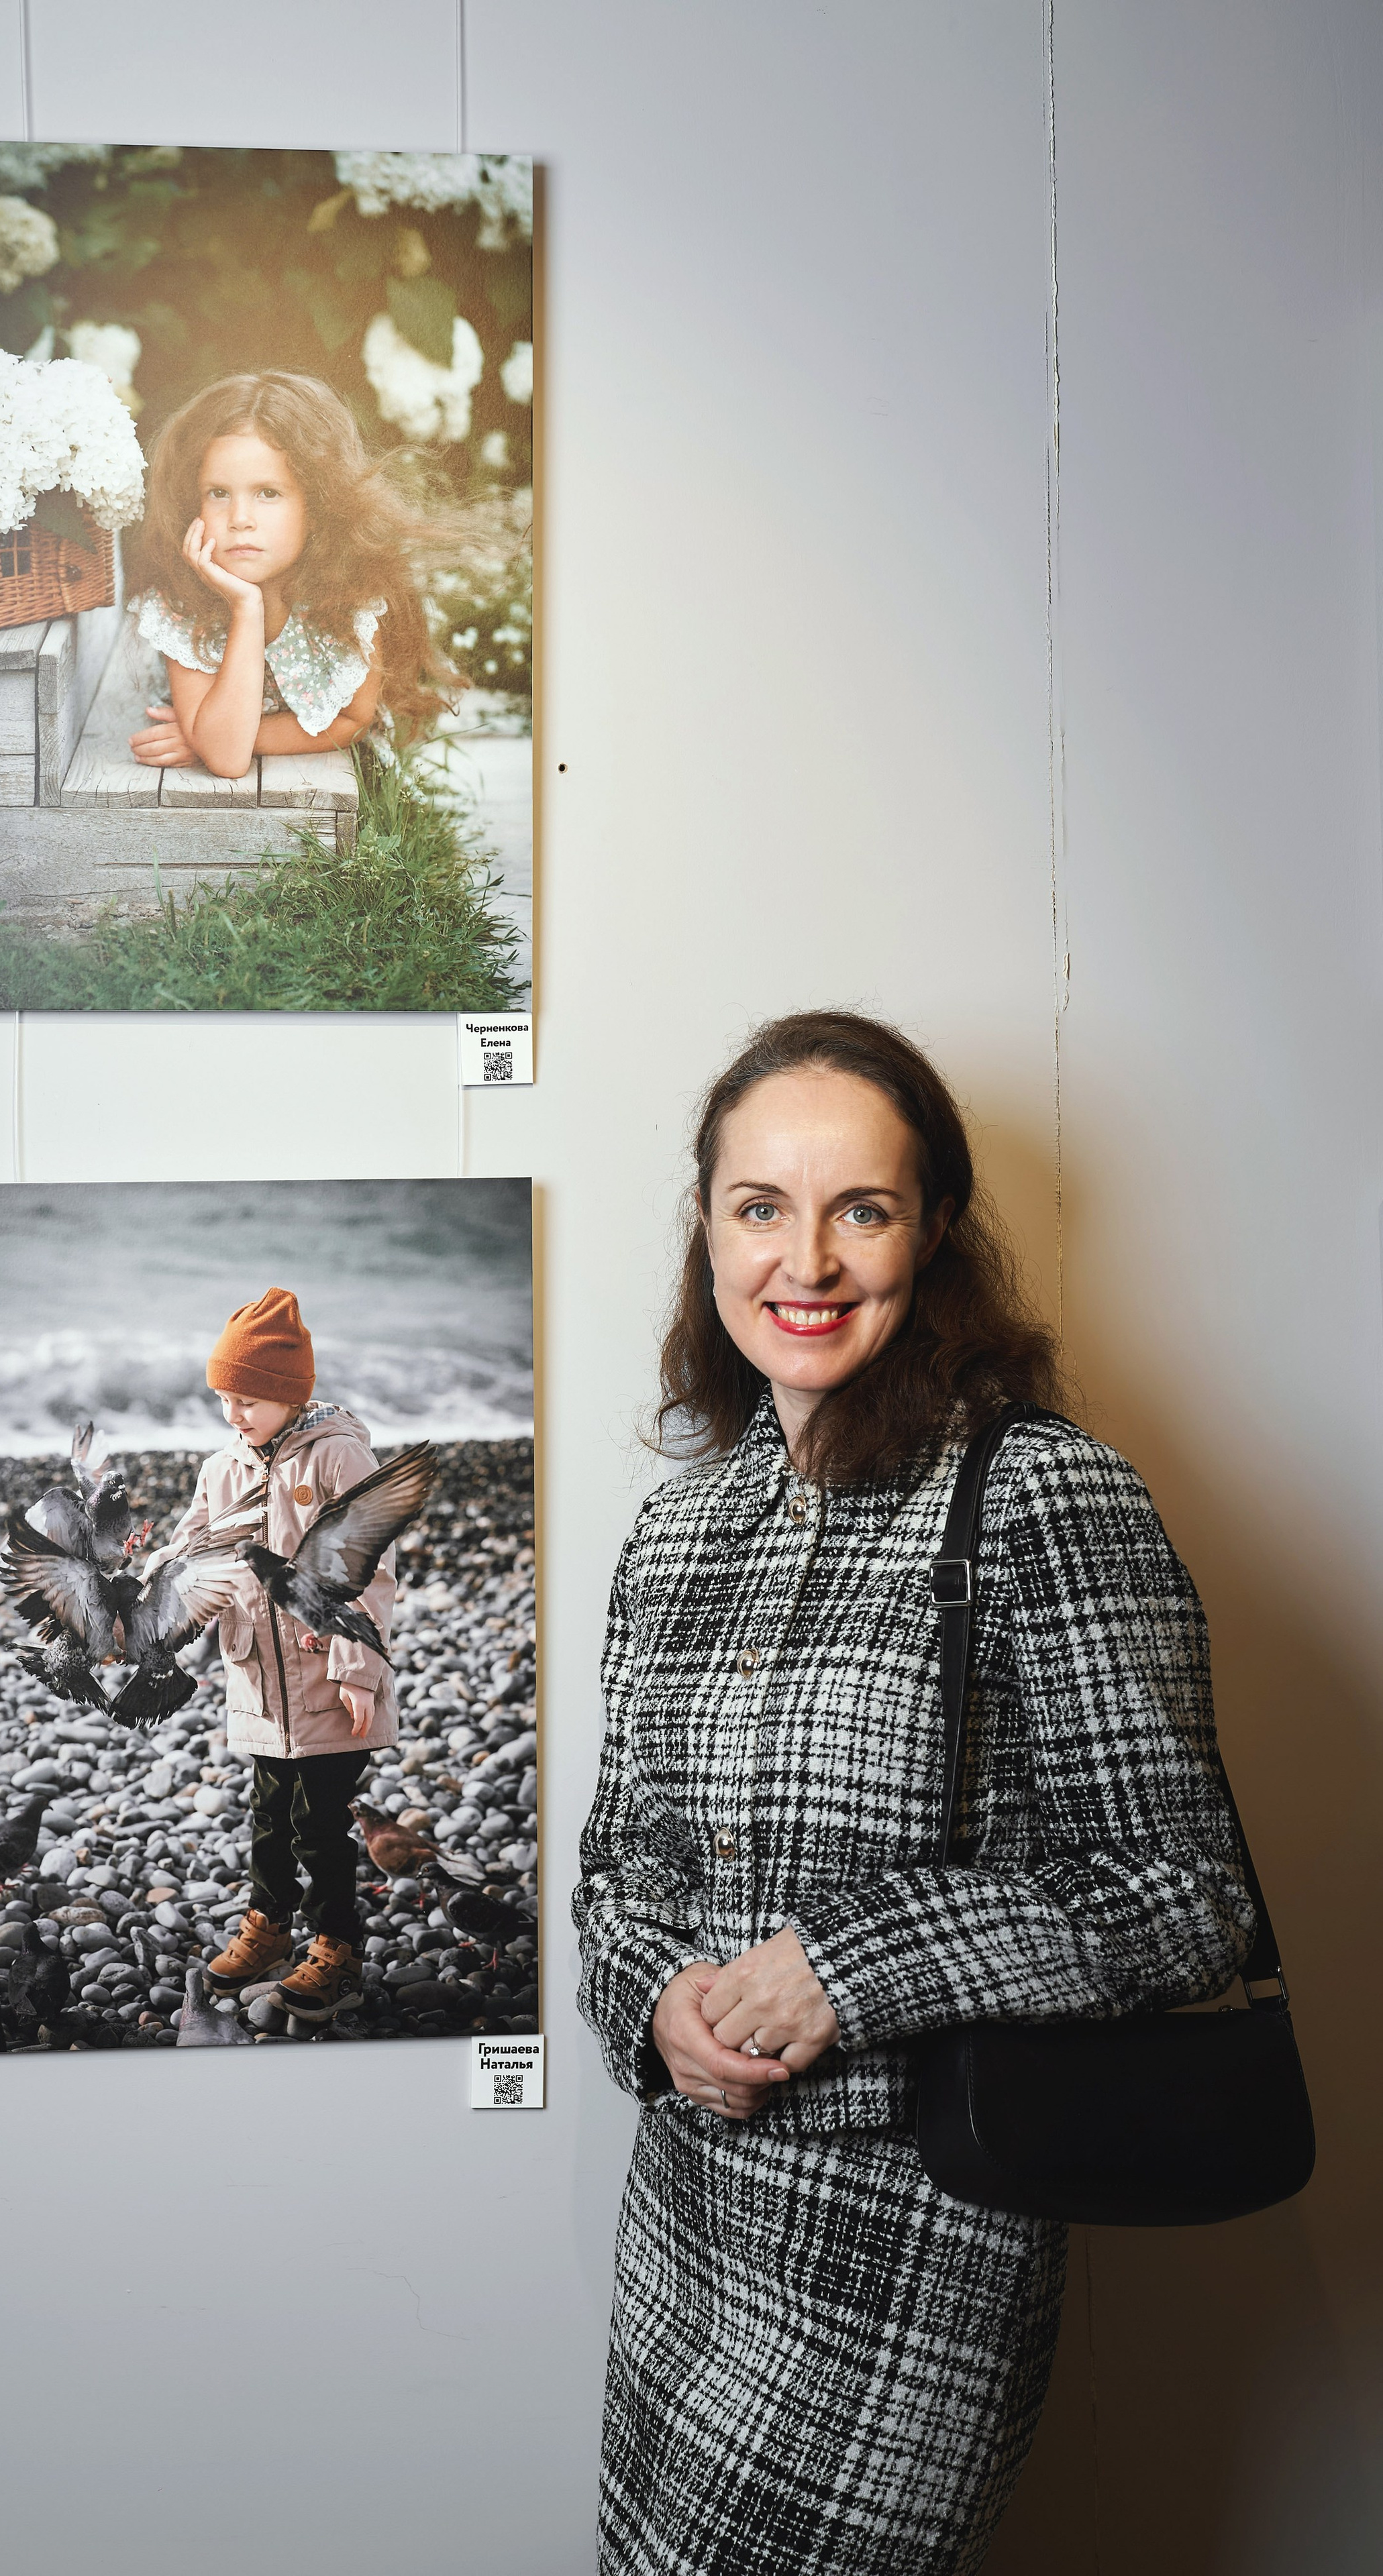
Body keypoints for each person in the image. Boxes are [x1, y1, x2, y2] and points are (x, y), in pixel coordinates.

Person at [574, 1010, 1255, 2575]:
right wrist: (654, 2004)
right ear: (706, 1224)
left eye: (857, 1209)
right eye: (759, 1206)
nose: (801, 1260)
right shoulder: (676, 1530)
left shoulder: (1038, 1490)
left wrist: (850, 1963)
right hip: (678, 2245)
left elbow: (1184, 1897)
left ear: (928, 1227)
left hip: (906, 2275)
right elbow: (611, 1867)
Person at [154, 1284, 397, 2023]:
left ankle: (336, 1944)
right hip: (260, 1683)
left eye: (249, 1399)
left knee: (318, 1825)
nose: (234, 1413)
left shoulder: (337, 1457)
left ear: (291, 1395)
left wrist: (358, 1673)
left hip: (328, 1679)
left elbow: (369, 1571)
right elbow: (193, 1548)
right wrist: (147, 1602)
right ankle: (268, 1923)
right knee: (268, 1816)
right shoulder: (222, 1467)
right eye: (224, 1397)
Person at [121, 368, 480, 780]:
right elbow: (227, 758)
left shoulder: (353, 593)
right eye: (218, 493)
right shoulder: (181, 599)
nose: (240, 519)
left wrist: (210, 737)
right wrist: (246, 607)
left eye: (268, 493)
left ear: (318, 505)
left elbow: (351, 720)